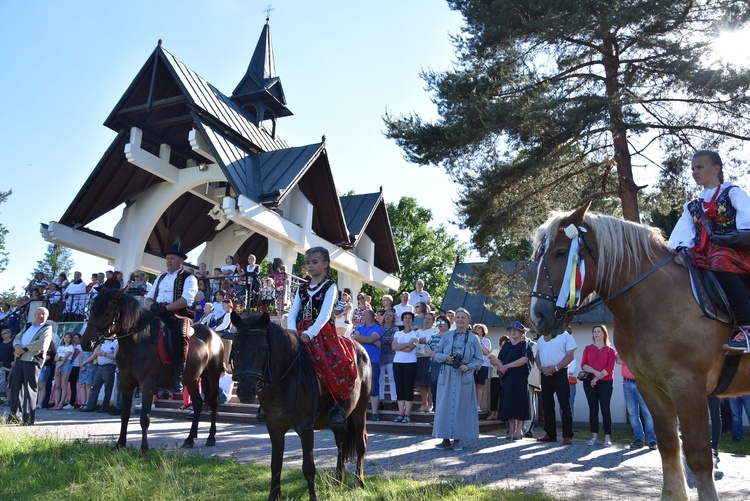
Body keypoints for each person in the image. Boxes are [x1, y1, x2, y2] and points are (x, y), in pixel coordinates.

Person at [668, 150, 750, 353]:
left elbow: (747, 225)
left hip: (735, 251)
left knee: (718, 260)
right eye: (693, 169)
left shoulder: (733, 193)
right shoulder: (692, 207)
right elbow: (679, 238)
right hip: (705, 254)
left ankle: (748, 328)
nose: (695, 172)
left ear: (716, 169)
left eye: (699, 167)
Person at [286, 246, 357, 428]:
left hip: (321, 332)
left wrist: (310, 333)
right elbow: (293, 312)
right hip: (299, 331)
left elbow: (326, 314)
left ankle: (336, 406)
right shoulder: (301, 288)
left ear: (325, 264)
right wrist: (292, 332)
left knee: (335, 361)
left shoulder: (330, 286)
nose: (310, 266)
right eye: (307, 263)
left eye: (314, 262)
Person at [144, 241, 198, 392]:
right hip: (157, 312)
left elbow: (187, 299)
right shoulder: (160, 276)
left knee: (178, 335)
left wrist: (166, 308)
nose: (168, 260)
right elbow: (148, 298)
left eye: (172, 258)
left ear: (181, 261)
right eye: (167, 258)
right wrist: (152, 305)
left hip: (178, 314)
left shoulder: (189, 277)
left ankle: (178, 376)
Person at [428, 308, 483, 451]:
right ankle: (445, 440)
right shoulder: (447, 336)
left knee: (461, 407)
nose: (460, 320)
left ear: (468, 320)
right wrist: (446, 357)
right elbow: (436, 353)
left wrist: (468, 366)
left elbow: (479, 359)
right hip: (447, 374)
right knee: (444, 406)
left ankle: (457, 440)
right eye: (457, 317)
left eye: (463, 317)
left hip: (463, 376)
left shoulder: (473, 338)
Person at [6, 307, 53, 425]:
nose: (40, 316)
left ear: (46, 316)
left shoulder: (47, 327)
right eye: (38, 314)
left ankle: (28, 419)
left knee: (29, 389)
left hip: (32, 360)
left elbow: (42, 343)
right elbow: (17, 337)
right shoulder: (27, 326)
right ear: (34, 315)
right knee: (15, 388)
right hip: (20, 359)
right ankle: (13, 416)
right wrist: (17, 347)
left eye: (43, 314)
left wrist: (24, 349)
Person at [535, 326, 577, 444]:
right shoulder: (542, 338)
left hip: (560, 373)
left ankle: (567, 435)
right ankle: (550, 434)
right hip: (545, 374)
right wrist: (540, 368)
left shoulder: (565, 336)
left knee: (564, 404)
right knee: (547, 405)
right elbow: (537, 356)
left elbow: (570, 356)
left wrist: (556, 368)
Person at [493, 321, 533, 440]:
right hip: (507, 378)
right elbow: (499, 358)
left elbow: (524, 359)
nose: (513, 332)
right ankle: (511, 430)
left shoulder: (525, 345)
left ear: (521, 332)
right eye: (511, 330)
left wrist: (507, 366)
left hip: (519, 377)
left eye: (515, 330)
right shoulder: (506, 345)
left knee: (519, 402)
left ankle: (519, 431)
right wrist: (500, 366)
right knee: (509, 402)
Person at [580, 325, 617, 447]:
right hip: (589, 382)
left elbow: (609, 368)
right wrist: (595, 373)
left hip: (605, 382)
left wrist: (597, 378)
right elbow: (583, 365)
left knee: (605, 409)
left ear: (604, 334)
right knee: (593, 409)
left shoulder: (610, 350)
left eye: (598, 332)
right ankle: (594, 437)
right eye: (594, 332)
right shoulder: (588, 348)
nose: (596, 334)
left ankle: (607, 438)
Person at [617, 356, 657, 450]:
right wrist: (633, 359)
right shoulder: (624, 347)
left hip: (642, 383)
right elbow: (618, 360)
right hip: (627, 383)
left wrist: (627, 360)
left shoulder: (639, 345)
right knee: (632, 414)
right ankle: (639, 439)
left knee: (647, 413)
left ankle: (652, 440)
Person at [350, 309, 383, 420]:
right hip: (358, 360)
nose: (361, 317)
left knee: (373, 386)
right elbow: (355, 339)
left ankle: (374, 413)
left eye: (363, 315)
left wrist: (367, 339)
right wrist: (370, 340)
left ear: (370, 316)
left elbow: (368, 339)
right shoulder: (359, 328)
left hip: (373, 360)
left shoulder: (378, 328)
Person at [391, 311, 419, 422]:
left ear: (412, 320)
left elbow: (410, 348)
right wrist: (406, 344)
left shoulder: (415, 334)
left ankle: (407, 414)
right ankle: (400, 413)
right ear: (402, 320)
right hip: (397, 362)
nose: (407, 320)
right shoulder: (398, 333)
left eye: (409, 318)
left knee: (408, 387)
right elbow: (393, 347)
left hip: (410, 363)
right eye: (405, 318)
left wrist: (401, 346)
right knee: (400, 388)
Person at [80, 335, 118, 412]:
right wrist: (85, 362)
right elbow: (95, 354)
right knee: (95, 387)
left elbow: (116, 356)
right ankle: (90, 406)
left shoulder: (116, 343)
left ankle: (105, 407)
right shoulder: (103, 342)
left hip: (109, 367)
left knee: (107, 388)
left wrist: (104, 354)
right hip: (100, 367)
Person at [427, 315, 450, 411]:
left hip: (447, 365)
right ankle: (437, 414)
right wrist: (433, 355)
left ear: (448, 324)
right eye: (438, 322)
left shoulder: (451, 336)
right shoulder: (433, 336)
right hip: (434, 365)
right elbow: (427, 348)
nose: (439, 324)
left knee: (445, 389)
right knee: (434, 387)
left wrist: (440, 357)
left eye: (442, 322)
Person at [415, 312, 437, 412]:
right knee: (422, 383)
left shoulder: (435, 330)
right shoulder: (418, 331)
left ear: (433, 321)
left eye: (429, 319)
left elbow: (434, 341)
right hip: (419, 358)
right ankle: (424, 404)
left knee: (429, 383)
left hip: (430, 358)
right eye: (426, 318)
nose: (427, 320)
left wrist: (424, 340)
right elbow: (415, 341)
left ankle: (431, 404)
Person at [486, 334, 509, 421]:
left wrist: (499, 362)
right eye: (503, 344)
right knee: (494, 395)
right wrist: (504, 363)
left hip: (506, 377)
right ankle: (493, 413)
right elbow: (493, 361)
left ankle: (504, 414)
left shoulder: (510, 351)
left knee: (505, 396)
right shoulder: (495, 351)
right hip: (495, 376)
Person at [379, 309, 399, 404]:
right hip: (380, 355)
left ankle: (393, 400)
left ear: (393, 318)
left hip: (391, 356)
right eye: (387, 315)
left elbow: (391, 340)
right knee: (381, 378)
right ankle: (381, 399)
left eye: (390, 316)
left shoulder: (395, 329)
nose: (388, 317)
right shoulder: (379, 327)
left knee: (392, 378)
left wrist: (381, 339)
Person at [51, 333, 75, 410]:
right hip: (58, 364)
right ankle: (56, 403)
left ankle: (61, 404)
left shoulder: (71, 347)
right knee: (57, 385)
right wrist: (60, 360)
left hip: (66, 364)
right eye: (65, 337)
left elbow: (65, 358)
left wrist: (58, 364)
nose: (66, 339)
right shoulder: (60, 347)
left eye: (68, 337)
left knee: (63, 385)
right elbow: (55, 358)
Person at [473, 323, 492, 412]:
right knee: (471, 385)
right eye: (475, 329)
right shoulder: (471, 340)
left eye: (479, 329)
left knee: (480, 385)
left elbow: (486, 352)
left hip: (483, 365)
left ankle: (478, 405)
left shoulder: (486, 341)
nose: (477, 331)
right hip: (472, 365)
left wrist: (480, 341)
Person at [0, 329, 14, 404]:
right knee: (3, 382)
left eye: (4, 333)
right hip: (1, 364)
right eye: (2, 334)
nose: (3, 335)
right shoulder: (1, 343)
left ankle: (8, 399)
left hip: (10, 364)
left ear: (9, 334)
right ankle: (4, 398)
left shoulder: (12, 343)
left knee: (8, 382)